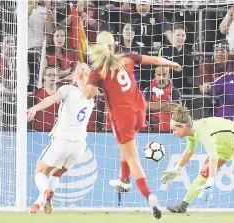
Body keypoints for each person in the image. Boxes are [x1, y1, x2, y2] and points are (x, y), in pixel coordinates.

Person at [74, 31, 181, 219]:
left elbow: (89, 95)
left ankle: (149, 196)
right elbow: (155, 61)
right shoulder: (127, 58)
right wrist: (172, 63)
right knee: (128, 147)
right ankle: (124, 180)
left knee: (132, 158)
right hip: (139, 109)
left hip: (121, 116)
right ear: (115, 44)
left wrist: (79, 82)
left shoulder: (97, 70)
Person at [162, 104, 234, 213]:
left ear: (183, 126)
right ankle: (183, 205)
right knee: (203, 174)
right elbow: (189, 150)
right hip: (222, 144)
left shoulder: (202, 130)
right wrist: (178, 169)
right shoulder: (191, 132)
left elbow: (213, 157)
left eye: (174, 130)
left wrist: (211, 181)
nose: (173, 133)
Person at [27, 63, 95, 214]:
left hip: (62, 139)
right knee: (56, 173)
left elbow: (50, 100)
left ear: (76, 75)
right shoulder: (91, 98)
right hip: (79, 145)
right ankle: (39, 203)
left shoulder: (68, 90)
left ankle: (45, 191)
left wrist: (33, 108)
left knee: (40, 171)